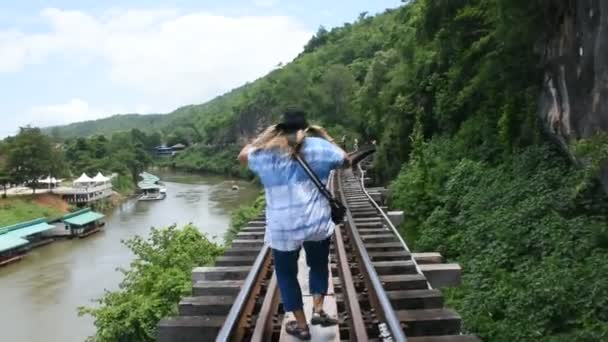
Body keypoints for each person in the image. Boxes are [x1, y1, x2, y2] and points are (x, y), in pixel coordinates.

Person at [238, 109, 350, 340]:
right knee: (318, 265)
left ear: (280, 129)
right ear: (306, 128)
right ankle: (318, 309)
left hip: (283, 228)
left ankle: (301, 326)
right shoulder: (320, 147)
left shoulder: (265, 152)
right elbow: (346, 160)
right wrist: (326, 136)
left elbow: (242, 155)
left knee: (286, 274)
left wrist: (266, 136)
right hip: (316, 223)